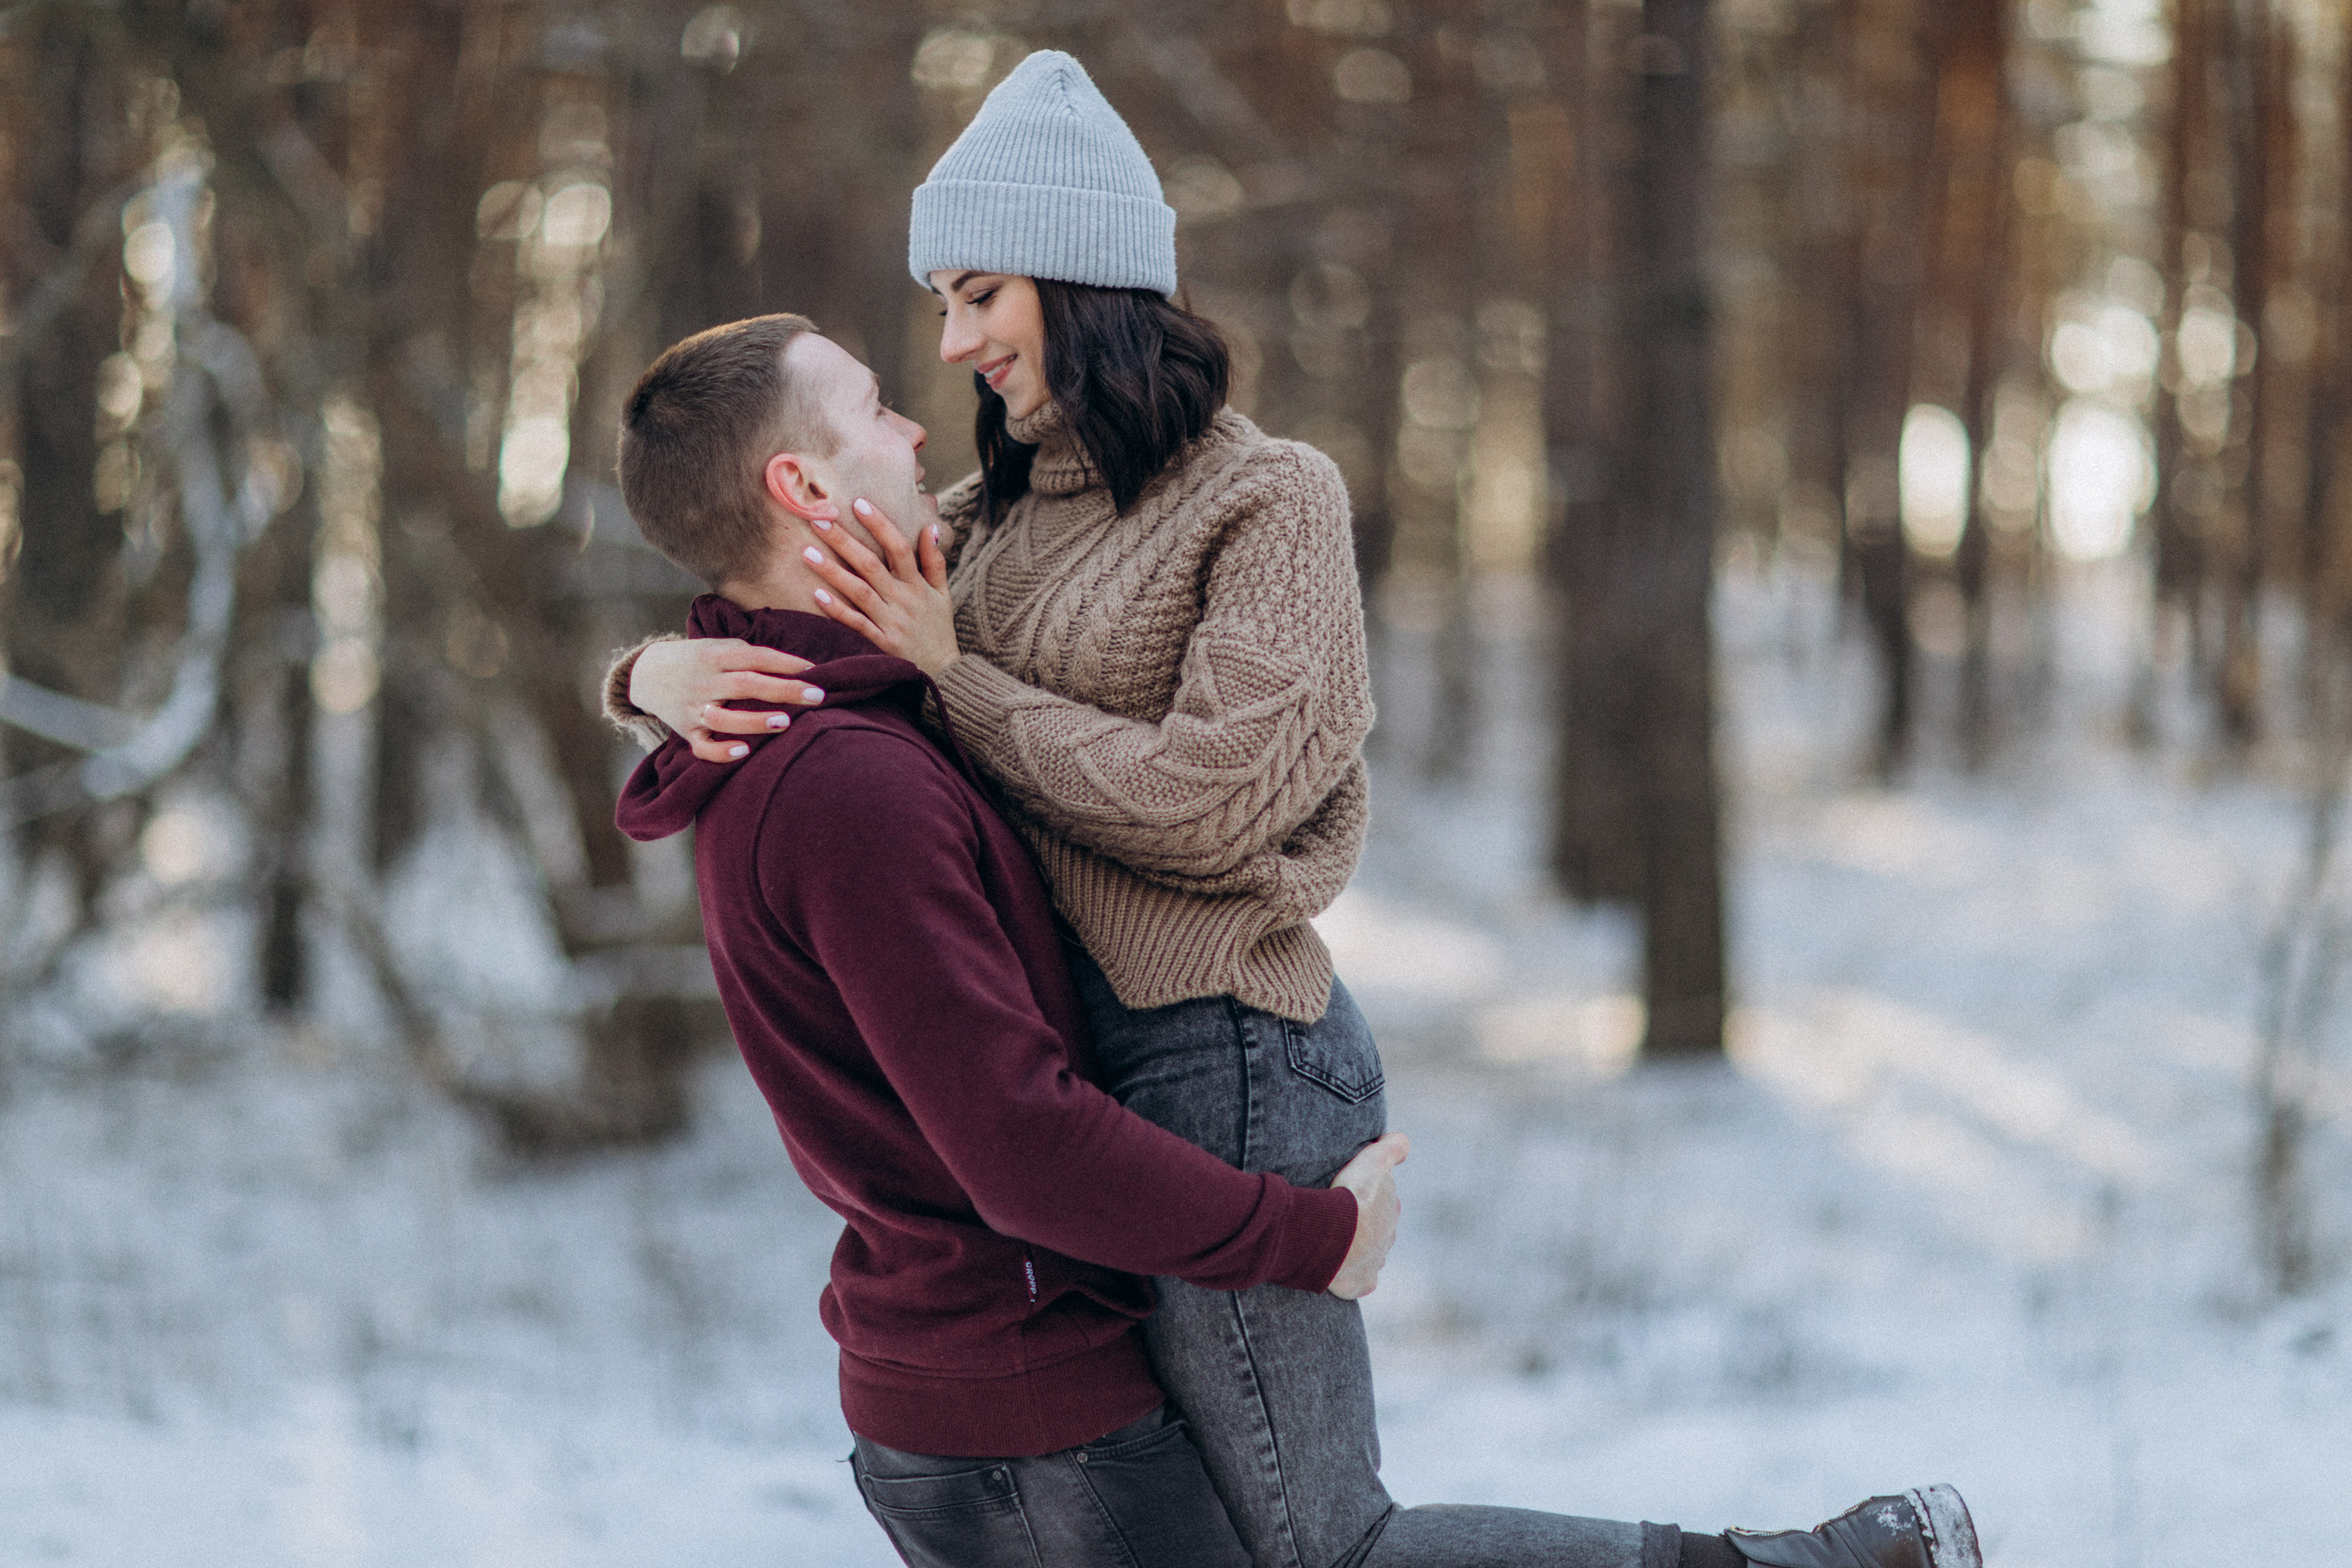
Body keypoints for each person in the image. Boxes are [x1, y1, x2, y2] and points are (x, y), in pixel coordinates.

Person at [606, 50, 1981, 1568]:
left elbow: (1211, 804)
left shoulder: (1268, 504)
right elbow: (777, 568)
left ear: (1081, 276)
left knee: (1327, 1546)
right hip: (1096, 1088)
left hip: (1228, 1051)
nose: (952, 346)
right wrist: (651, 672)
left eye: (980, 294)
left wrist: (961, 679)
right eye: (940, 304)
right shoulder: (981, 525)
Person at [609, 311, 1413, 1568]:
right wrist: (1309, 1238)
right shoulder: (848, 783)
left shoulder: (828, 716)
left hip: (991, 1393)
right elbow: (1021, 1142)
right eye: (875, 407)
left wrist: (645, 671)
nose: (918, 423)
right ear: (803, 485)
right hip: (1028, 1420)